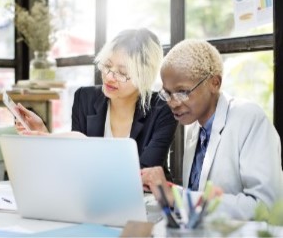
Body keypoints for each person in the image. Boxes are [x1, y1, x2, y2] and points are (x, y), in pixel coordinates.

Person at [142, 39, 283, 220]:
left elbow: (264, 207)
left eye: (182, 92)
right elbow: (198, 201)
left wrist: (176, 197)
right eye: (167, 93)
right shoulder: (194, 128)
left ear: (214, 83)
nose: (172, 103)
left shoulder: (249, 118)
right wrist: (167, 191)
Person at [15, 28, 178, 180]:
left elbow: (145, 174)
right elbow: (75, 168)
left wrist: (86, 146)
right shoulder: (84, 98)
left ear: (144, 76)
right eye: (107, 65)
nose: (109, 76)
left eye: (122, 73)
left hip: (148, 203)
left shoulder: (162, 109)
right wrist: (46, 136)